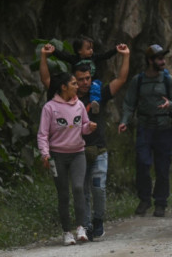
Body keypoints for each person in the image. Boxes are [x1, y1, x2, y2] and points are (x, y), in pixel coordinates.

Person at [40, 42, 130, 240]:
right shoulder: (63, 98)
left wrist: (125, 56)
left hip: (98, 149)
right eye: (80, 80)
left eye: (88, 78)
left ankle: (97, 221)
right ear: (73, 80)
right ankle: (86, 226)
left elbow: (121, 79)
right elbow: (46, 79)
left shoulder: (98, 93)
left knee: (98, 188)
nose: (85, 83)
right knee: (83, 190)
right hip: (76, 151)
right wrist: (44, 57)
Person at [118, 44, 172, 217]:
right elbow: (129, 104)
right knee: (142, 163)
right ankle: (144, 199)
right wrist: (124, 121)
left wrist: (170, 105)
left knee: (162, 167)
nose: (163, 61)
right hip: (144, 128)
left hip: (164, 129)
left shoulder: (169, 80)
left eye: (163, 58)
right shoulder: (138, 80)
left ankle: (161, 202)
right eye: (159, 58)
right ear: (150, 61)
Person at [37, 71, 97, 246]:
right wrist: (45, 154)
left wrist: (89, 127)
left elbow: (83, 127)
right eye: (73, 84)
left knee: (79, 188)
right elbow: (43, 134)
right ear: (63, 87)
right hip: (57, 156)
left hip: (78, 153)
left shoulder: (79, 105)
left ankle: (81, 227)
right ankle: (66, 232)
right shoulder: (50, 108)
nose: (77, 86)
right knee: (63, 194)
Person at [52, 36, 118, 113]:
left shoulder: (94, 57)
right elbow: (63, 56)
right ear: (79, 50)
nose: (91, 51)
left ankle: (95, 103)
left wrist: (115, 49)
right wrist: (53, 50)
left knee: (96, 87)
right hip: (77, 83)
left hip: (93, 81)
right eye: (88, 49)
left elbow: (105, 55)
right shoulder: (74, 59)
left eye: (92, 48)